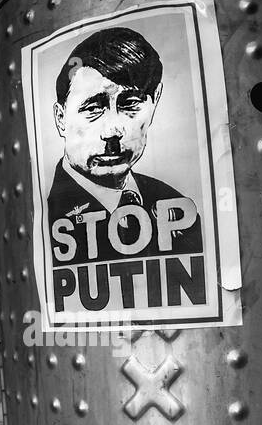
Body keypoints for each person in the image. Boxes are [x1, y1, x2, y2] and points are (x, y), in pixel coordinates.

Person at [46, 26, 203, 265]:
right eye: (92, 108)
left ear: (155, 102)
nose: (112, 131)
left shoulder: (174, 204)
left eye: (130, 104)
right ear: (60, 119)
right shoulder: (43, 215)